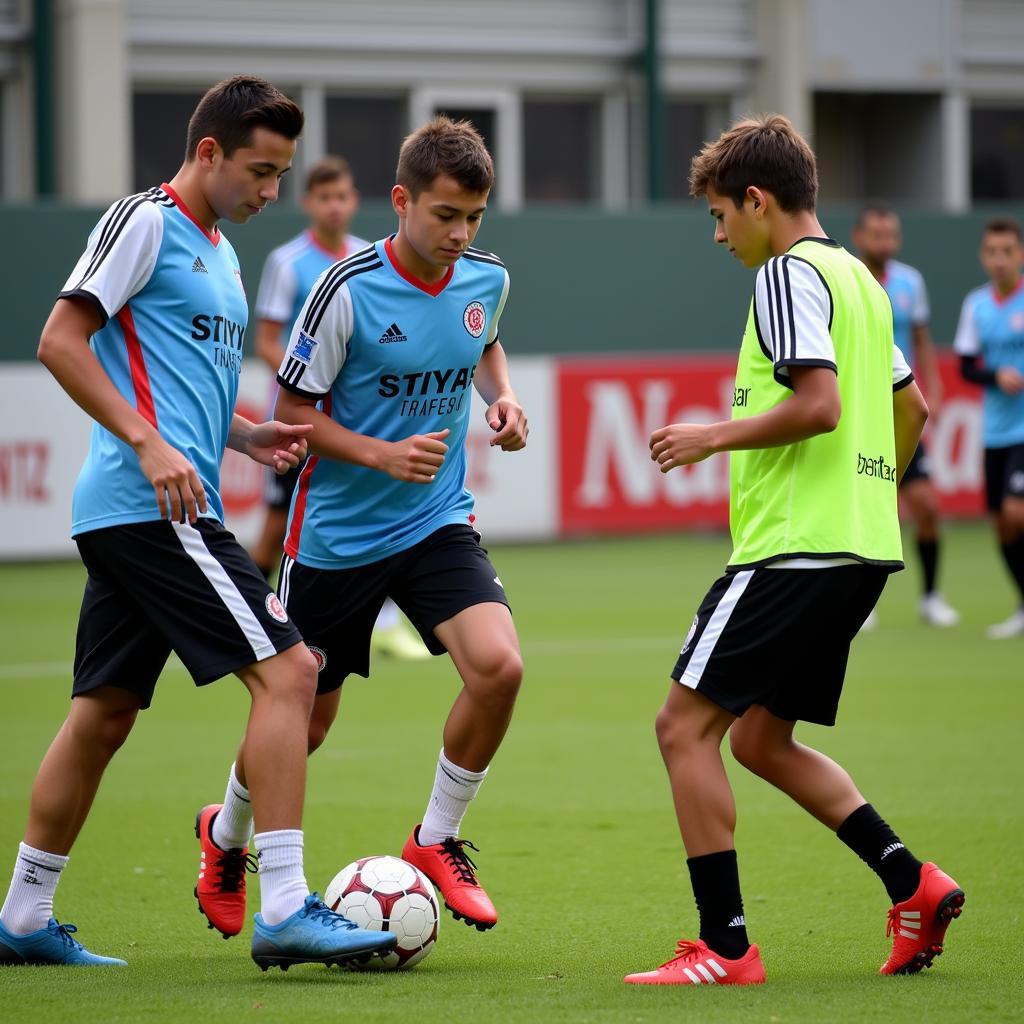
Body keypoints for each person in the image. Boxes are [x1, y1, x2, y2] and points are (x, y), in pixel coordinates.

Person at [0, 76, 394, 971]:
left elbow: (176, 387)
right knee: (293, 671)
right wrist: (146, 442)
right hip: (153, 508)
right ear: (207, 151)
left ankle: (21, 920)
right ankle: (288, 902)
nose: (269, 191)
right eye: (260, 170)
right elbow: (60, 341)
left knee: (100, 717)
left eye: (283, 175)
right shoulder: (145, 220)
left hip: (151, 506)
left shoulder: (221, 250)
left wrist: (248, 435)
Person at [623, 114, 963, 987]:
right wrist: (866, 489)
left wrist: (712, 437)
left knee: (683, 728)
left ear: (758, 200)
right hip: (859, 550)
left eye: (720, 215)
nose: (718, 234)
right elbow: (913, 409)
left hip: (791, 551)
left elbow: (815, 404)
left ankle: (725, 948)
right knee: (762, 742)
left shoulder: (784, 273)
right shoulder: (861, 280)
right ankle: (912, 882)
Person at [196, 116, 527, 938]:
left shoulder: (486, 278)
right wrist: (381, 454)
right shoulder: (345, 289)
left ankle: (435, 840)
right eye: (444, 215)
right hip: (336, 539)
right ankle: (226, 835)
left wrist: (503, 401)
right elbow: (293, 415)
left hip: (435, 519)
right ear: (401, 201)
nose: (459, 235)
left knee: (499, 669)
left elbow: (485, 345)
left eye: (474, 219)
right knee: (305, 721)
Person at [249, 155, 429, 660]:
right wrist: (311, 379)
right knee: (273, 529)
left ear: (354, 201)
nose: (334, 206)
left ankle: (388, 625)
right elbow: (267, 340)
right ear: (308, 203)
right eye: (324, 197)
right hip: (300, 421)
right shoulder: (288, 262)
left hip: (361, 421)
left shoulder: (366, 259)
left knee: (391, 511)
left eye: (343, 196)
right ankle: (247, 615)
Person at [852, 203, 959, 628]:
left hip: (900, 407)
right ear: (860, 238)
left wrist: (931, 386)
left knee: (926, 505)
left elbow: (921, 338)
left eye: (892, 235)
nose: (886, 243)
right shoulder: (850, 279)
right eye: (878, 235)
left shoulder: (911, 282)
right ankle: (862, 603)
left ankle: (931, 597)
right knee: (866, 508)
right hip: (861, 412)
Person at [954, 216, 1024, 638]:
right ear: (983, 257)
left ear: (1020, 254)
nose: (999, 260)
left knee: (1017, 511)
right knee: (1001, 523)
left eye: (1007, 252)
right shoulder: (976, 305)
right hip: (995, 431)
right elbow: (966, 367)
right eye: (992, 253)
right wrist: (996, 376)